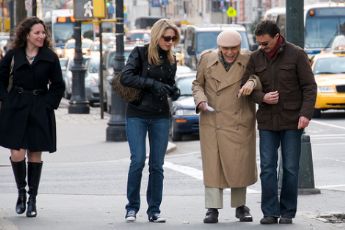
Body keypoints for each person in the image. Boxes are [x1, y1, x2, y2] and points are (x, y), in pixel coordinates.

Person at [241, 20, 317, 225]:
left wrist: (305, 114)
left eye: (265, 43)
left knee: (291, 168)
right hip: (267, 121)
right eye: (259, 43)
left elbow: (309, 87)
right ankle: (270, 212)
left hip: (293, 121)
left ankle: (287, 212)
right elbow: (245, 86)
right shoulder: (255, 57)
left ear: (277, 37)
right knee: (267, 167)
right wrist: (262, 97)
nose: (262, 47)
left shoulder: (296, 54)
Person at [192, 30, 261, 224]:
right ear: (218, 47)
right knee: (213, 165)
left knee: (239, 164)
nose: (230, 52)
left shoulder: (249, 58)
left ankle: (241, 207)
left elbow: (260, 78)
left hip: (239, 120)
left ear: (240, 46)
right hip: (212, 120)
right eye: (225, 49)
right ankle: (212, 208)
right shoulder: (207, 59)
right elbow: (197, 84)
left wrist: (251, 82)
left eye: (234, 48)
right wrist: (201, 100)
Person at [0, 17, 65, 218]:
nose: (41, 36)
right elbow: (0, 81)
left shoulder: (50, 57)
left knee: (35, 154)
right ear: (27, 34)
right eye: (37, 33)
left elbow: (58, 85)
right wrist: (6, 100)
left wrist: (48, 104)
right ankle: (21, 192)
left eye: (43, 33)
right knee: (17, 153)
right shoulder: (12, 55)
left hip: (39, 108)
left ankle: (32, 199)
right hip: (16, 108)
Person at [120, 18, 181, 223]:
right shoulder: (139, 53)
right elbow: (126, 77)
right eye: (166, 38)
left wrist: (174, 90)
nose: (170, 42)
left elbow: (169, 84)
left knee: (157, 165)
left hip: (161, 116)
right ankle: (132, 207)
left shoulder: (172, 59)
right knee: (137, 161)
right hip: (137, 113)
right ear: (157, 36)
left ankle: (154, 209)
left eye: (173, 38)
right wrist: (152, 84)